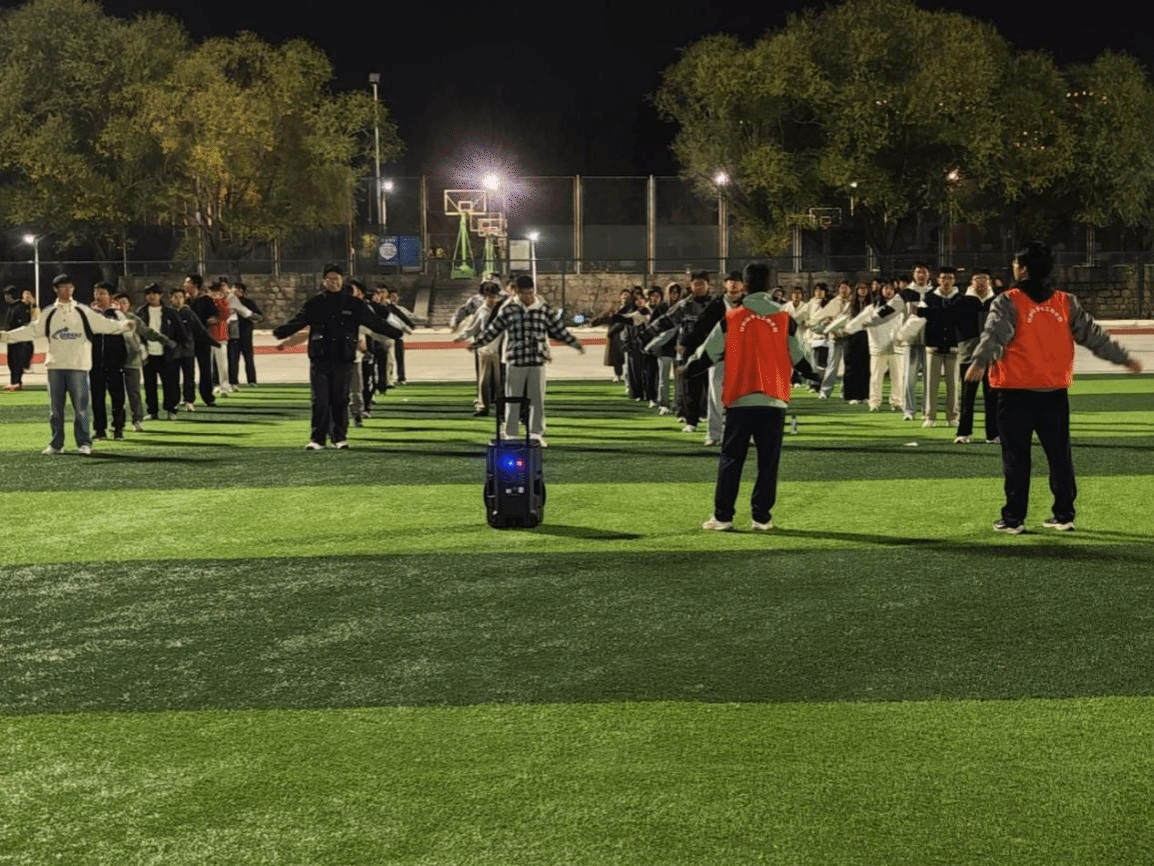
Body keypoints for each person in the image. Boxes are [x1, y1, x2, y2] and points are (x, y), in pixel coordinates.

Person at [965, 242, 1143, 534]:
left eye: (1016, 264)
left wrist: (980, 362)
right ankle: (1063, 514)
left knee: (1016, 458)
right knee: (1060, 456)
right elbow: (1094, 336)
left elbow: (995, 334)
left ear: (1022, 269)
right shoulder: (1065, 302)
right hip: (1054, 393)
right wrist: (1123, 358)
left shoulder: (1007, 300)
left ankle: (1014, 518)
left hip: (1015, 392)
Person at [685, 262, 811, 531]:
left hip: (740, 398)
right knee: (768, 462)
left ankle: (723, 517)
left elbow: (706, 355)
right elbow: (802, 358)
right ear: (772, 286)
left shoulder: (732, 318)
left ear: (746, 285)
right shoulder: (785, 320)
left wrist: (689, 369)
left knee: (731, 458)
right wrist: (816, 376)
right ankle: (761, 518)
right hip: (774, 399)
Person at [272, 263, 404, 450]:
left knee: (340, 399)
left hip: (344, 357)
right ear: (323, 281)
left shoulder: (354, 304)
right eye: (329, 279)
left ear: (342, 281)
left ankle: (339, 438)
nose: (333, 282)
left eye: (336, 279)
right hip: (320, 357)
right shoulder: (316, 303)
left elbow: (374, 322)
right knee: (320, 400)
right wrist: (280, 333)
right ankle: (318, 439)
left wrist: (395, 333)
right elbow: (299, 320)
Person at [0, 273, 134, 454]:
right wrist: (6, 336)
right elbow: (32, 330)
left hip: (79, 367)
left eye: (70, 286)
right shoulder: (49, 312)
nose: (67, 290)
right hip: (55, 367)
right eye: (63, 287)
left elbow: (104, 324)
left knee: (81, 409)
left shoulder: (83, 311)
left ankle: (84, 443)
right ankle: (56, 444)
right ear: (55, 289)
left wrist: (124, 326)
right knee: (55, 410)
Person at [470, 274, 585, 448]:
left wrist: (574, 343)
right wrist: (478, 343)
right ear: (517, 291)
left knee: (536, 399)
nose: (528, 297)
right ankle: (510, 433)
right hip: (515, 359)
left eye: (530, 292)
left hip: (536, 359)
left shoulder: (542, 308)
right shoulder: (509, 308)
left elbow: (557, 328)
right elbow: (494, 329)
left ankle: (536, 433)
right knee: (513, 398)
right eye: (524, 293)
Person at [954, 269, 998, 444]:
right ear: (971, 283)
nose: (980, 282)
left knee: (992, 396)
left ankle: (992, 434)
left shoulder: (997, 301)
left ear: (990, 282)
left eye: (984, 279)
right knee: (967, 395)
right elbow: (955, 326)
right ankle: (963, 433)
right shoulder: (961, 302)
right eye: (977, 279)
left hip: (992, 356)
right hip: (969, 355)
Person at [915, 266, 962, 427]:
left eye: (950, 278)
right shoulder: (928, 299)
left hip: (954, 348)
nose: (946, 281)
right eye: (943, 278)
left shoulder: (960, 299)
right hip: (933, 347)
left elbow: (963, 324)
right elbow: (919, 320)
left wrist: (959, 343)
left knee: (953, 385)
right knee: (931, 384)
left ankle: (952, 416)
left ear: (954, 280)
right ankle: (930, 416)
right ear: (938, 280)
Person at [136, 283, 187, 420]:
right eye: (148, 294)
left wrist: (175, 347)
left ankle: (171, 410)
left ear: (160, 295)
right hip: (148, 354)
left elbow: (181, 332)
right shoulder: (141, 312)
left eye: (154, 293)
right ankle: (152, 411)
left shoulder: (170, 312)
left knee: (170, 384)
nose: (151, 296)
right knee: (149, 385)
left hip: (167, 354)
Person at [3, 285, 33, 391]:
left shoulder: (20, 307)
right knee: (11, 361)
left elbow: (23, 324)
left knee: (17, 361)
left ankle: (17, 382)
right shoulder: (11, 307)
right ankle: (13, 382)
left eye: (7, 295)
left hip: (19, 339)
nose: (6, 298)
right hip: (11, 339)